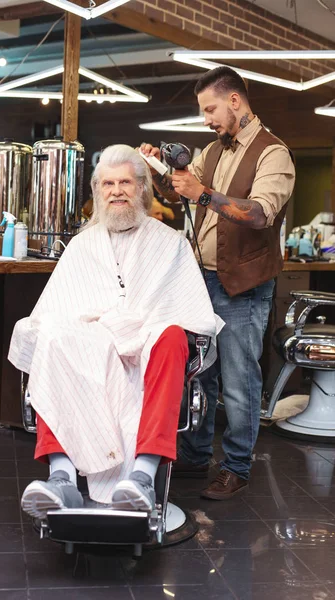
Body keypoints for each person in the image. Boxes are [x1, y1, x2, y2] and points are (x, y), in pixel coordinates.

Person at [9, 144, 223, 519]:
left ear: (142, 188)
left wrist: (136, 332)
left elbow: (193, 313)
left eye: (125, 181)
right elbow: (56, 308)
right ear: (98, 191)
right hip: (93, 344)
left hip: (149, 345)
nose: (117, 191)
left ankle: (143, 475)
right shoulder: (81, 246)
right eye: (108, 183)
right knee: (50, 339)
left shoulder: (170, 243)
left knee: (174, 335)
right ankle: (61, 478)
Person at [140, 66, 295, 500]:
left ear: (234, 100)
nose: (206, 118)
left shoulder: (273, 153)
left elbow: (261, 213)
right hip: (198, 279)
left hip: (244, 284)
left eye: (210, 109)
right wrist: (159, 171)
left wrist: (203, 194)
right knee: (199, 373)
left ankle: (236, 467)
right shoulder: (212, 150)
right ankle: (193, 455)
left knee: (239, 381)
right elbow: (179, 195)